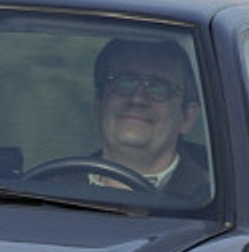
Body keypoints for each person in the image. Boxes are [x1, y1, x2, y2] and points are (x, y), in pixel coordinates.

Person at [90, 38, 210, 198]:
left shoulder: (216, 202)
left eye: (158, 87)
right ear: (98, 105)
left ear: (187, 118)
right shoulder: (51, 191)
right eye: (124, 82)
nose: (137, 99)